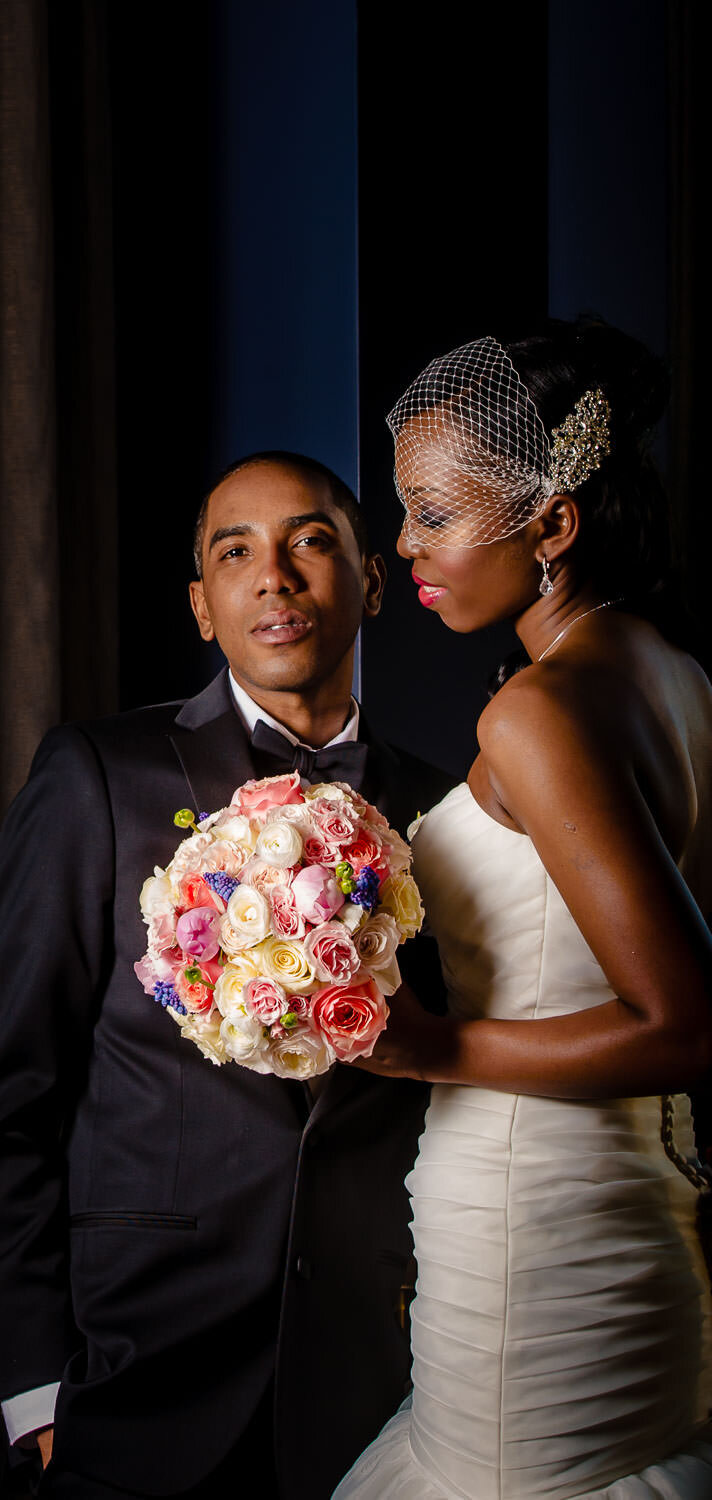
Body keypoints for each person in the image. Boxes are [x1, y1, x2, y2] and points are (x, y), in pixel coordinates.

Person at [0, 451, 452, 1499]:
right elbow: (6, 1097)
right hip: (135, 1369)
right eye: (236, 553)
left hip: (376, 1380)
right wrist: (33, 1393)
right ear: (202, 607)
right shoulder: (99, 778)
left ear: (369, 581)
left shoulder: (441, 810)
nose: (275, 576)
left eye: (310, 542)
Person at [334, 321, 712, 1500]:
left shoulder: (539, 713)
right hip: (636, 1199)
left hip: (534, 1222)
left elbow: (685, 1026)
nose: (403, 547)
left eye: (434, 516)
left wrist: (430, 1048)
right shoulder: (669, 671)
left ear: (552, 525)